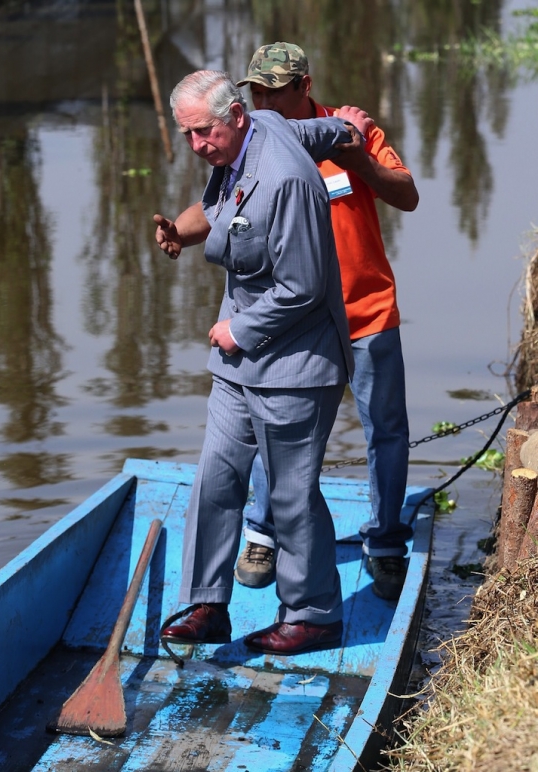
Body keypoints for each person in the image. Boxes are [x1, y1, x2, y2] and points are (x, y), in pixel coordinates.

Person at [154, 70, 365, 655]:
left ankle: (314, 613)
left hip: (295, 362)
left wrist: (236, 329)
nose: (197, 146)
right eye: (187, 135)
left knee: (291, 493)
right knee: (216, 475)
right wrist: (346, 130)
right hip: (238, 365)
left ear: (235, 116)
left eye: (204, 133)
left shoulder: (287, 182)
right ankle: (206, 602)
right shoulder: (261, 127)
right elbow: (314, 132)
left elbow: (303, 284)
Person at [233, 42, 419, 601]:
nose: (263, 100)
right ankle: (263, 533)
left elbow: (406, 195)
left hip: (367, 312)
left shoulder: (350, 130)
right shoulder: (252, 146)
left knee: (386, 429)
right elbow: (220, 212)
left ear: (305, 86)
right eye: (256, 91)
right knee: (278, 426)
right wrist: (184, 232)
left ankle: (386, 542)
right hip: (296, 319)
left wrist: (355, 152)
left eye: (274, 90)